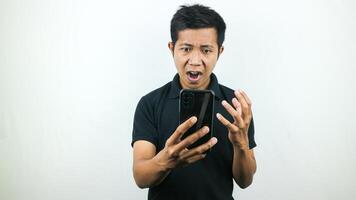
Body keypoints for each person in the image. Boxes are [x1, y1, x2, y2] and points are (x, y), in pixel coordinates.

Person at [131, 4, 257, 200]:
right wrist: (167, 160)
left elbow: (245, 181)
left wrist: (241, 144)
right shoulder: (150, 103)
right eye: (186, 49)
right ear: (172, 48)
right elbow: (140, 177)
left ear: (219, 51)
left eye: (206, 50)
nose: (195, 60)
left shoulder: (236, 105)